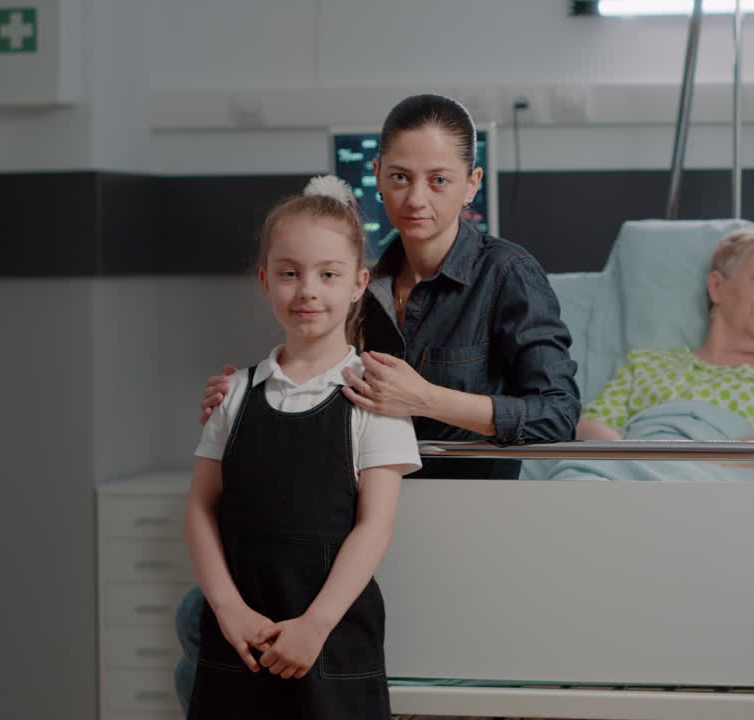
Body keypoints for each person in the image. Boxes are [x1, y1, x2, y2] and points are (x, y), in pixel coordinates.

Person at [177, 93, 581, 711]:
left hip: (448, 522)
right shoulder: (358, 278)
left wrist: (427, 399)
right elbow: (314, 372)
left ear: (471, 184)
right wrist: (247, 404)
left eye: (438, 180)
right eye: (399, 178)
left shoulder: (506, 274)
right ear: (377, 177)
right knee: (200, 620)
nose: (416, 198)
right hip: (340, 511)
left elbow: (557, 416)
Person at [185, 176, 422, 719]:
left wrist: (315, 625)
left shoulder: (374, 398)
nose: (308, 290)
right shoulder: (233, 394)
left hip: (331, 639)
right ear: (265, 281)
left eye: (328, 274)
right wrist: (228, 610)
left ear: (359, 283)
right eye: (289, 273)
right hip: (238, 640)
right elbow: (200, 507)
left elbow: (375, 527)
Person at [577, 228, 754, 497]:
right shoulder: (646, 364)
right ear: (717, 286)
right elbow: (592, 425)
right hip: (629, 490)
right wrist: (639, 471)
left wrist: (679, 472)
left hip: (725, 496)